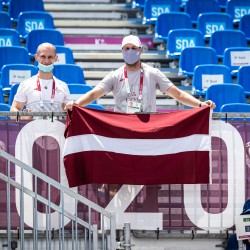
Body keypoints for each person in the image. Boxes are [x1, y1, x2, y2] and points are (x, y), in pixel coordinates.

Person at [65, 35, 216, 112]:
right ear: (122, 51)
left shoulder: (152, 73)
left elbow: (178, 94)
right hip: (122, 127)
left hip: (148, 126)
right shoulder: (115, 75)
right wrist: (76, 104)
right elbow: (93, 95)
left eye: (134, 48)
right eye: (127, 48)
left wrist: (200, 104)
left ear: (141, 50)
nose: (130, 51)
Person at [10, 42, 71, 117]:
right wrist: (22, 116)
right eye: (43, 56)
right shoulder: (26, 84)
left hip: (56, 128)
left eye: (50, 57)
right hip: (32, 128)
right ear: (36, 57)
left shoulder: (63, 86)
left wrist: (70, 107)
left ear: (56, 58)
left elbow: (68, 112)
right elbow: (13, 110)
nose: (46, 61)